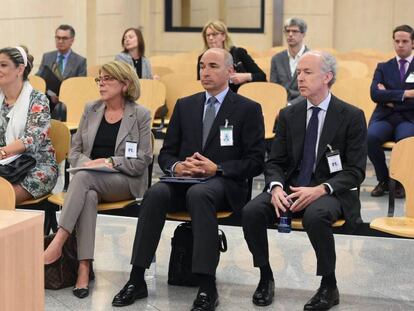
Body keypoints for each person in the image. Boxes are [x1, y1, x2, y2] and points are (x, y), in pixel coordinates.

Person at [112, 48, 265, 310]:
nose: (205, 71)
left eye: (213, 66)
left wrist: (216, 168)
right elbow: (167, 154)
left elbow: (255, 161)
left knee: (200, 194)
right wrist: (178, 165)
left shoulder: (247, 109)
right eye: (202, 66)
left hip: (223, 183)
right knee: (156, 193)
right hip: (184, 182)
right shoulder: (186, 105)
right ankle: (137, 278)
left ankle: (207, 285)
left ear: (230, 72)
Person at [242, 51, 367, 310]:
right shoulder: (289, 115)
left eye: (307, 72)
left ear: (327, 77)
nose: (300, 78)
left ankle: (328, 285)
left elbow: (355, 171)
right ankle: (265, 277)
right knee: (252, 211)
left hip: (331, 191)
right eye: (299, 72)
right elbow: (275, 161)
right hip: (291, 186)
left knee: (315, 216)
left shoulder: (351, 115)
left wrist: (321, 189)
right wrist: (275, 187)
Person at [43, 61, 153, 299]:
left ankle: (58, 241)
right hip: (90, 180)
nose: (101, 83)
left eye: (108, 79)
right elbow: (74, 152)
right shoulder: (91, 108)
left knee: (83, 179)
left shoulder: (140, 114)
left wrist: (109, 163)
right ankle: (84, 267)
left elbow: (142, 160)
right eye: (99, 79)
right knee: (88, 194)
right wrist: (89, 165)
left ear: (125, 84)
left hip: (125, 181)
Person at [0, 46, 58, 204]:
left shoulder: (38, 99)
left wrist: (3, 152)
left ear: (19, 69)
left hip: (35, 166)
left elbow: (33, 139)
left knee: (2, 199)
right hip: (4, 166)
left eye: (3, 65)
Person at [368, 24, 414, 198]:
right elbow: (375, 94)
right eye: (397, 41)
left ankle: (401, 182)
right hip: (384, 117)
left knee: (406, 142)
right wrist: (407, 94)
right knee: (370, 137)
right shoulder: (383, 67)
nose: (400, 45)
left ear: (413, 43)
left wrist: (389, 97)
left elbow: (382, 95)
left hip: (409, 119)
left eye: (405, 41)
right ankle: (384, 180)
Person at [197, 20, 266, 93]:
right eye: (208, 35)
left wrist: (245, 76)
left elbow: (262, 76)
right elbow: (199, 83)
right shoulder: (202, 57)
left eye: (214, 34)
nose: (210, 38)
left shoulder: (238, 53)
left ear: (223, 36)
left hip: (238, 96)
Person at [36, 24, 87, 111]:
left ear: (72, 40)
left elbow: (80, 87)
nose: (60, 41)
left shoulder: (80, 61)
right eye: (58, 38)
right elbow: (39, 80)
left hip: (69, 102)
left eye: (64, 38)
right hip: (48, 99)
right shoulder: (47, 57)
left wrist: (62, 97)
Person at [270, 18, 309, 106]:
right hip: (280, 104)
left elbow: (311, 91)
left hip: (304, 104)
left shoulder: (312, 59)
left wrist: (290, 104)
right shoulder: (277, 59)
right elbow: (274, 88)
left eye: (295, 31)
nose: (290, 34)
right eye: (287, 31)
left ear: (303, 34)